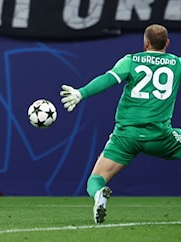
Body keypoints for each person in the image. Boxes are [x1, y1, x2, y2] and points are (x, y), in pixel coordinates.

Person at [60, 24, 181, 224]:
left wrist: (81, 93)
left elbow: (109, 79)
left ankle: (99, 194)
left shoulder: (131, 61)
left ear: (145, 43)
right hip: (159, 136)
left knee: (95, 178)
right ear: (167, 43)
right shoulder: (177, 64)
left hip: (125, 137)